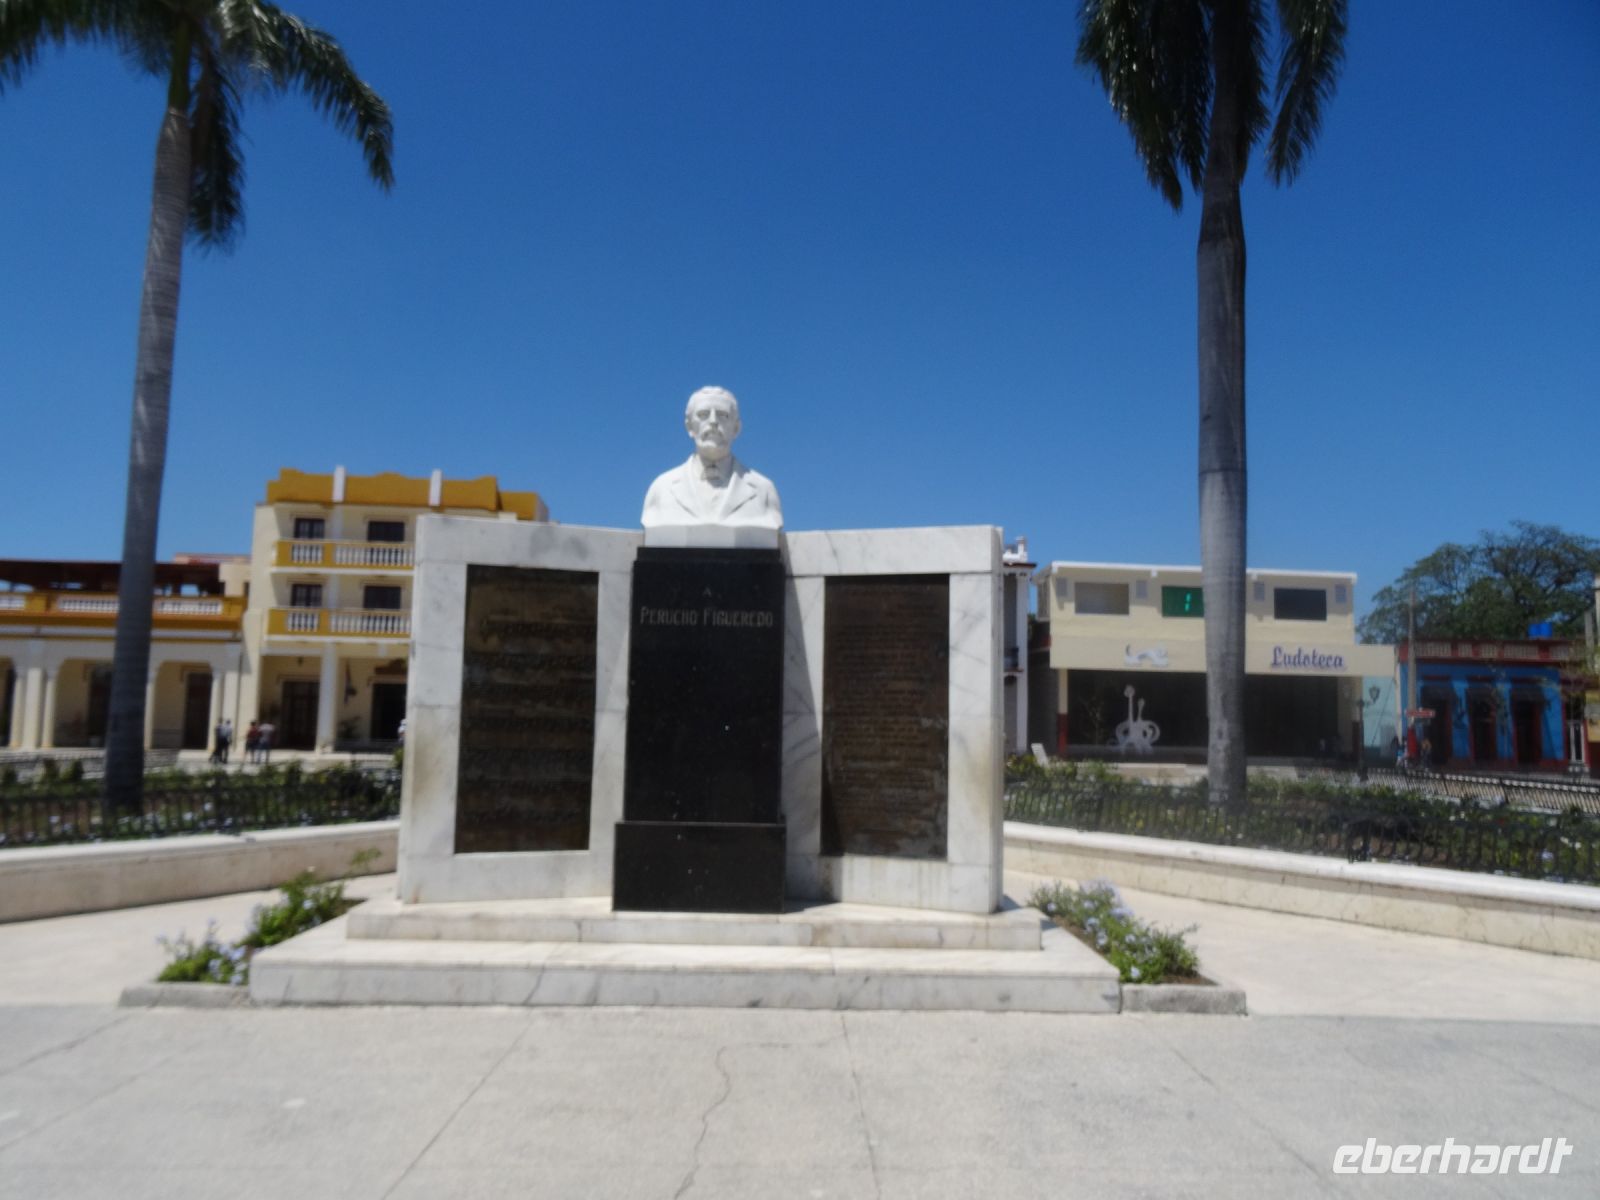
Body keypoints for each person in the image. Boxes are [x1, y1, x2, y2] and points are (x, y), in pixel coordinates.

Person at [641, 386, 783, 529]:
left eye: (723, 415)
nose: (713, 421)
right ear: (689, 427)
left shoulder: (764, 490)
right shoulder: (661, 489)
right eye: (703, 414)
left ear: (736, 428)